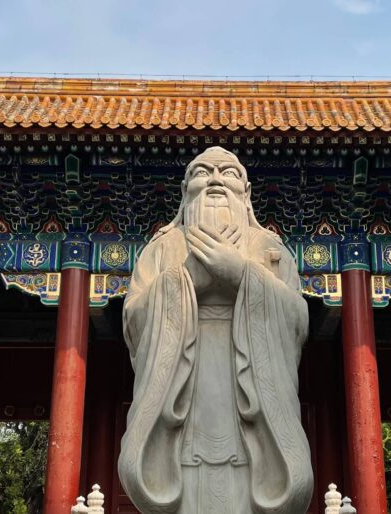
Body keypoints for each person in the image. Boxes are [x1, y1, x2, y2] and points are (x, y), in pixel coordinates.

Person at [118, 147, 313, 514]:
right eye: (203, 172)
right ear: (185, 189)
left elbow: (296, 321)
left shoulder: (270, 249)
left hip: (251, 402)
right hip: (183, 399)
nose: (216, 179)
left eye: (229, 173)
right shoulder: (161, 249)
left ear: (247, 192)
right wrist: (188, 277)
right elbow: (134, 323)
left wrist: (241, 273)